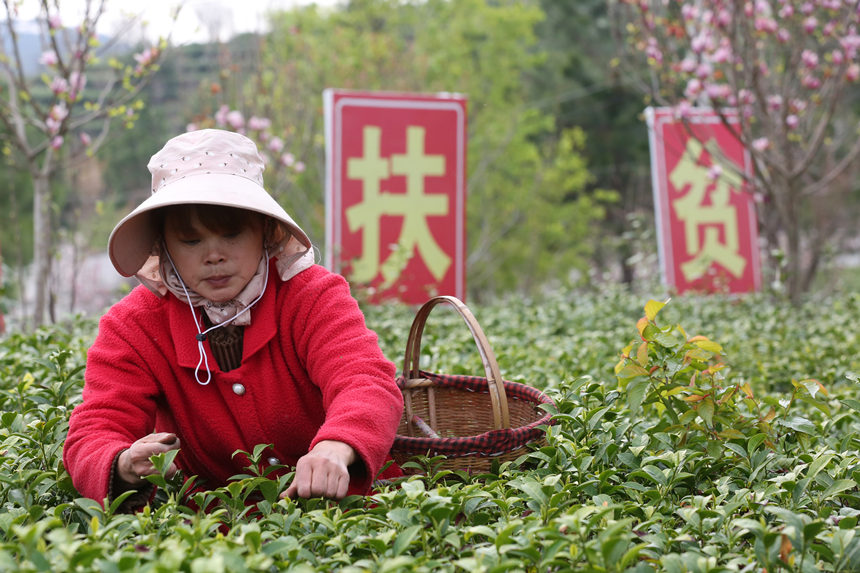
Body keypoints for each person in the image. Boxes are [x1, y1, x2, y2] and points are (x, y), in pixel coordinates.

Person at [63, 129, 404, 510]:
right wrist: (123, 462)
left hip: (343, 514)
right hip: (215, 533)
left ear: (266, 231)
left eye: (231, 234)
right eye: (191, 241)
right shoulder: (133, 327)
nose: (214, 256)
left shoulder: (312, 295)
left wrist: (337, 446)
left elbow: (365, 381)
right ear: (162, 246)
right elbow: (95, 428)